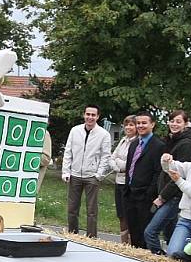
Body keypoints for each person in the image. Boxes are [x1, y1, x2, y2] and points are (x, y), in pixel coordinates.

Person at [144, 110, 191, 254]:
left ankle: (160, 259)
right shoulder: (171, 140)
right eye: (172, 121)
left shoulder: (186, 144)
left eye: (178, 121)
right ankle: (175, 259)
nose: (174, 124)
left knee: (150, 232)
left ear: (186, 124)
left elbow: (180, 175)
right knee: (170, 234)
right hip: (166, 193)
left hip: (174, 195)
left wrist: (162, 197)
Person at [62, 105, 112, 238]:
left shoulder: (103, 134)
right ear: (84, 115)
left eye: (93, 115)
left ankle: (91, 237)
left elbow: (105, 156)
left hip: (92, 176)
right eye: (88, 114)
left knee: (91, 210)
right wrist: (66, 171)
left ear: (98, 117)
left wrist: (99, 175)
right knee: (72, 208)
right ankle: (73, 234)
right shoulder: (75, 130)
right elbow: (68, 151)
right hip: (75, 174)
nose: (90, 117)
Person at [124, 111, 166, 248]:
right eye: (138, 123)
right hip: (130, 193)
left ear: (152, 124)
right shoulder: (134, 144)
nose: (140, 126)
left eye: (144, 123)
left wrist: (149, 194)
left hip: (145, 196)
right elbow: (130, 166)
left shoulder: (158, 146)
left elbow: (158, 173)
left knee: (144, 233)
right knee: (133, 231)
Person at [108, 115, 137, 244]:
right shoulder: (123, 140)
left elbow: (130, 165)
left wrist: (119, 163)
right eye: (126, 125)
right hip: (118, 180)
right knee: (120, 214)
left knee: (128, 214)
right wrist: (119, 167)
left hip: (128, 183)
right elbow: (111, 158)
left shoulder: (137, 143)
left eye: (131, 125)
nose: (128, 127)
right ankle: (123, 242)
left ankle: (130, 242)